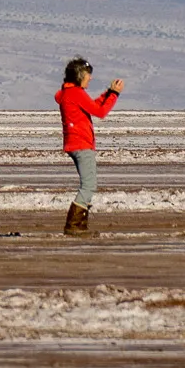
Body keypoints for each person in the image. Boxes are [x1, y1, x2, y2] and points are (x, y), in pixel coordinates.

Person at [53, 57, 122, 235]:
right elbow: (100, 111)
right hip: (81, 144)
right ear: (79, 76)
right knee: (89, 185)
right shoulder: (75, 93)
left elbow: (92, 106)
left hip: (76, 144)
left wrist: (108, 93)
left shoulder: (71, 94)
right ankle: (74, 226)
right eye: (87, 75)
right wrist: (114, 95)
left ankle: (79, 225)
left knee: (88, 184)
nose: (90, 78)